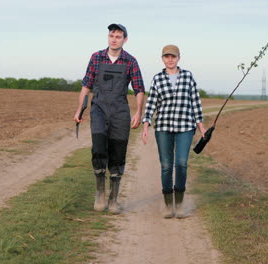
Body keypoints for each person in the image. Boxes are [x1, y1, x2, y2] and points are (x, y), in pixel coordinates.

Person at [74, 23, 145, 214]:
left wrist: (138, 112)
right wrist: (79, 110)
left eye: (118, 36)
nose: (114, 39)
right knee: (98, 149)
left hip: (120, 112)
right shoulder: (96, 57)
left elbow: (139, 89)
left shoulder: (131, 61)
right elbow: (86, 86)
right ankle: (100, 193)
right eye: (111, 36)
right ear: (108, 38)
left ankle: (114, 199)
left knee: (118, 153)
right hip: (99, 109)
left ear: (125, 40)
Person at [142, 44, 206, 219]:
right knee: (166, 166)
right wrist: (146, 125)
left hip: (185, 126)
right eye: (166, 57)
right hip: (163, 127)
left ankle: (179, 204)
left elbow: (196, 102)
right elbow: (151, 103)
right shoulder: (157, 79)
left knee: (182, 163)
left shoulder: (188, 76)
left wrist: (201, 128)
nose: (170, 60)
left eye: (173, 56)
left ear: (179, 58)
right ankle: (168, 205)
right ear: (162, 59)